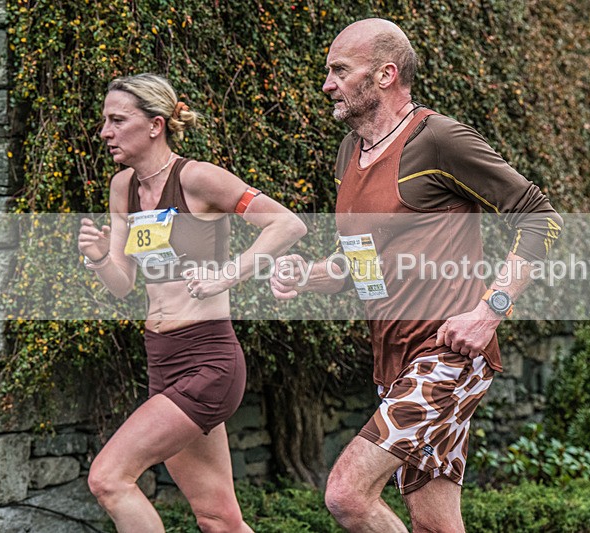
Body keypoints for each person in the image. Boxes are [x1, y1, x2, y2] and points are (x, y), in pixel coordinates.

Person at [269, 18, 563, 533]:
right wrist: (309, 275)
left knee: (347, 495)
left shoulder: (437, 139)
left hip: (448, 354)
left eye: (340, 70)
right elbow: (367, 262)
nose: (327, 84)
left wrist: (489, 312)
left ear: (384, 74)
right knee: (435, 525)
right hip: (394, 359)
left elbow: (539, 215)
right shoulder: (349, 154)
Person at [78, 73, 306, 533]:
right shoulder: (123, 187)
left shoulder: (198, 178)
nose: (105, 132)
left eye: (117, 120)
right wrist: (102, 257)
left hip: (208, 360)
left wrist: (230, 272)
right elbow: (123, 284)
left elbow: (287, 224)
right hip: (162, 360)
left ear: (155, 124)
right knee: (218, 519)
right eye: (105, 121)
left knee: (109, 479)